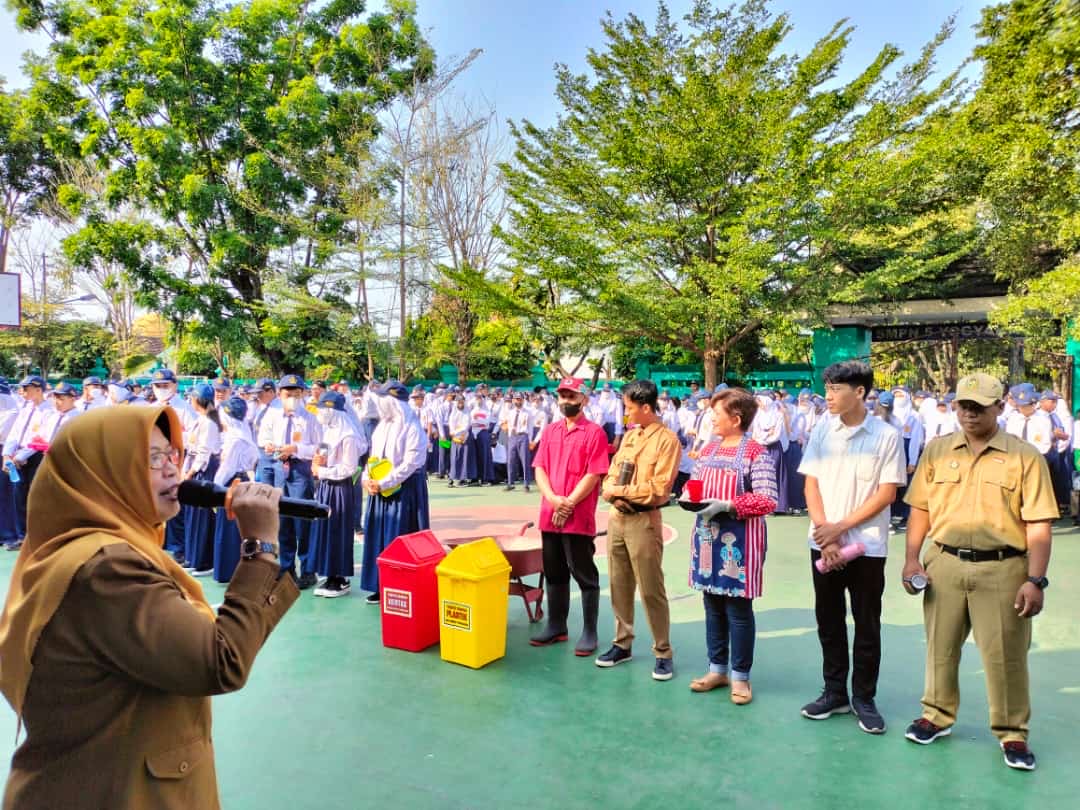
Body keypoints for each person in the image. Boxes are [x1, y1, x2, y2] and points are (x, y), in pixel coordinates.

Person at [0, 405, 297, 809]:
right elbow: (219, 660)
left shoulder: (95, 547)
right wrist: (260, 548)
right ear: (102, 475)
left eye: (172, 454)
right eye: (152, 459)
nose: (173, 470)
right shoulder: (106, 569)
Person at [900, 373, 1058, 770]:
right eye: (962, 406)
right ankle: (936, 714)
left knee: (1005, 654)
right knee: (940, 646)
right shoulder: (937, 451)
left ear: (999, 408)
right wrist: (912, 558)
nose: (968, 414)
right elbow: (920, 507)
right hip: (945, 563)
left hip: (1004, 568)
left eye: (978, 407)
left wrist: (1035, 579)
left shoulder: (1025, 457)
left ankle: (1011, 731)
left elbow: (1038, 523)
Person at [797, 361, 905, 734]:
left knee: (866, 624)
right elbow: (811, 484)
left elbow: (887, 492)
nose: (828, 395)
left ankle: (863, 697)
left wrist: (840, 528)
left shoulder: (886, 436)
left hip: (867, 547)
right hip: (823, 543)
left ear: (860, 392)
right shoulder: (822, 431)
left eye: (836, 388)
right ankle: (834, 692)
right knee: (828, 620)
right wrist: (825, 532)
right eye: (827, 388)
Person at [684, 388, 778, 704]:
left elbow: (767, 498)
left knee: (738, 610)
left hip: (741, 542)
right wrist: (688, 496)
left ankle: (740, 676)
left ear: (735, 419)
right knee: (711, 605)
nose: (711, 418)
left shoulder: (755, 452)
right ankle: (717, 669)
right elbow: (694, 481)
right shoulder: (710, 448)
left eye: (717, 414)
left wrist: (727, 504)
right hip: (707, 538)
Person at [597, 379, 681, 681]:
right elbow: (608, 478)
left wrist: (618, 491)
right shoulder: (631, 438)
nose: (626, 414)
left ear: (646, 408)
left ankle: (663, 651)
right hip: (617, 519)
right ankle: (622, 644)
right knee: (619, 584)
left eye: (629, 408)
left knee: (650, 589)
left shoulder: (667, 441)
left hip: (644, 522)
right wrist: (614, 492)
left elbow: (658, 490)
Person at [529, 378, 610, 654]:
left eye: (571, 396)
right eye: (562, 396)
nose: (565, 401)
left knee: (584, 574)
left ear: (584, 399)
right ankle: (556, 625)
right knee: (554, 572)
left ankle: (589, 632)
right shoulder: (550, 431)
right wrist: (553, 500)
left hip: (578, 517)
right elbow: (539, 468)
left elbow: (595, 472)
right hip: (549, 513)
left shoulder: (595, 433)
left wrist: (569, 503)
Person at [359, 380, 430, 605]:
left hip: (404, 490)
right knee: (377, 536)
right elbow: (372, 457)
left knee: (398, 537)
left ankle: (399, 585)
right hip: (379, 488)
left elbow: (411, 463)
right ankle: (378, 584)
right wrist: (366, 479)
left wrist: (386, 482)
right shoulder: (382, 426)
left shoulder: (412, 427)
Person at [257, 375, 321, 589]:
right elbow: (262, 437)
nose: (292, 397)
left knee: (302, 522)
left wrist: (296, 449)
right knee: (282, 521)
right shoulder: (272, 415)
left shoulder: (310, 418)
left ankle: (308, 569)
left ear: (303, 394)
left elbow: (320, 448)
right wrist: (269, 445)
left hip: (300, 470)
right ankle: (286, 568)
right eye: (287, 394)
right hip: (278, 469)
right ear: (279, 394)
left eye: (296, 393)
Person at [310, 391, 366, 598]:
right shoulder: (329, 431)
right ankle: (330, 573)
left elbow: (349, 468)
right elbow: (323, 455)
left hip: (340, 488)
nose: (321, 412)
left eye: (324, 408)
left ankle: (341, 578)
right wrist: (317, 464)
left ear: (334, 410)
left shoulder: (348, 435)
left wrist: (322, 471)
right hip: (326, 486)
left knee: (338, 531)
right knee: (325, 530)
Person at [2, 376, 54, 551]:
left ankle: (36, 536)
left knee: (34, 496)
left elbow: (40, 438)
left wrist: (21, 456)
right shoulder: (25, 409)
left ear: (38, 389)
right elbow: (15, 433)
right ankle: (21, 535)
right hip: (18, 456)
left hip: (35, 456)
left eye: (27, 389)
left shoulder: (49, 411)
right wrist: (7, 454)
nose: (23, 392)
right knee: (18, 495)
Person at [211, 396, 259, 583]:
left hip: (232, 483)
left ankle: (229, 570)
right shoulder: (240, 435)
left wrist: (215, 488)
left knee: (230, 528)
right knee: (235, 527)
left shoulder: (236, 439)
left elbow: (227, 468)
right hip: (240, 481)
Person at [181, 384, 222, 577]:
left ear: (198, 399)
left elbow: (204, 452)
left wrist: (190, 473)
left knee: (203, 517)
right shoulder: (201, 420)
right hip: (195, 469)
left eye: (192, 397)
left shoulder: (210, 423)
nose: (190, 400)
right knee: (192, 515)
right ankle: (193, 557)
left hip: (204, 471)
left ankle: (204, 561)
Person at [503, 391, 536, 492]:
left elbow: (530, 427)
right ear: (513, 400)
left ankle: (526, 484)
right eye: (516, 399)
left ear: (523, 400)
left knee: (525, 461)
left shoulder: (528, 412)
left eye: (520, 399)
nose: (518, 401)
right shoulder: (510, 412)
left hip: (523, 436)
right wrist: (509, 437)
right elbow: (508, 425)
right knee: (511, 460)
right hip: (513, 437)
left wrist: (530, 440)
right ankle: (510, 483)